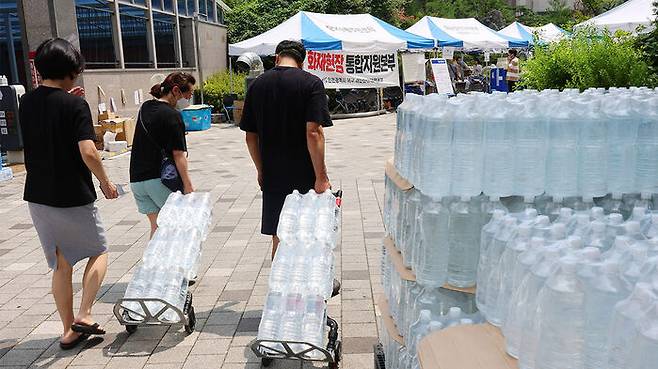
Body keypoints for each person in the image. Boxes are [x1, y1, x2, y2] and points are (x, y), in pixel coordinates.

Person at [19, 38, 119, 350]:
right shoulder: (75, 104)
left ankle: (68, 330)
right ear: (70, 70)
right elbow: (88, 151)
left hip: (37, 195)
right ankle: (85, 314)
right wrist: (105, 181)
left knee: (62, 264)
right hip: (71, 193)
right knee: (99, 251)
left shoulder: (27, 103)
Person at [240, 40, 332, 261]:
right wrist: (321, 177)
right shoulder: (311, 83)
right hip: (304, 174)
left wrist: (261, 170)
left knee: (279, 235)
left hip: (273, 174)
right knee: (309, 234)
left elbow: (250, 136)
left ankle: (279, 291)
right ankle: (308, 287)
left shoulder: (257, 85)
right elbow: (313, 132)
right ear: (302, 61)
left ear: (276, 57)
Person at [129, 72, 196, 237]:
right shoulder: (173, 116)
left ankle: (152, 263)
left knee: (158, 228)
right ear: (175, 90)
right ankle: (174, 263)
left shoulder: (145, 107)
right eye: (187, 96)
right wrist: (188, 186)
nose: (187, 101)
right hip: (159, 181)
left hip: (137, 180)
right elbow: (179, 155)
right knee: (176, 229)